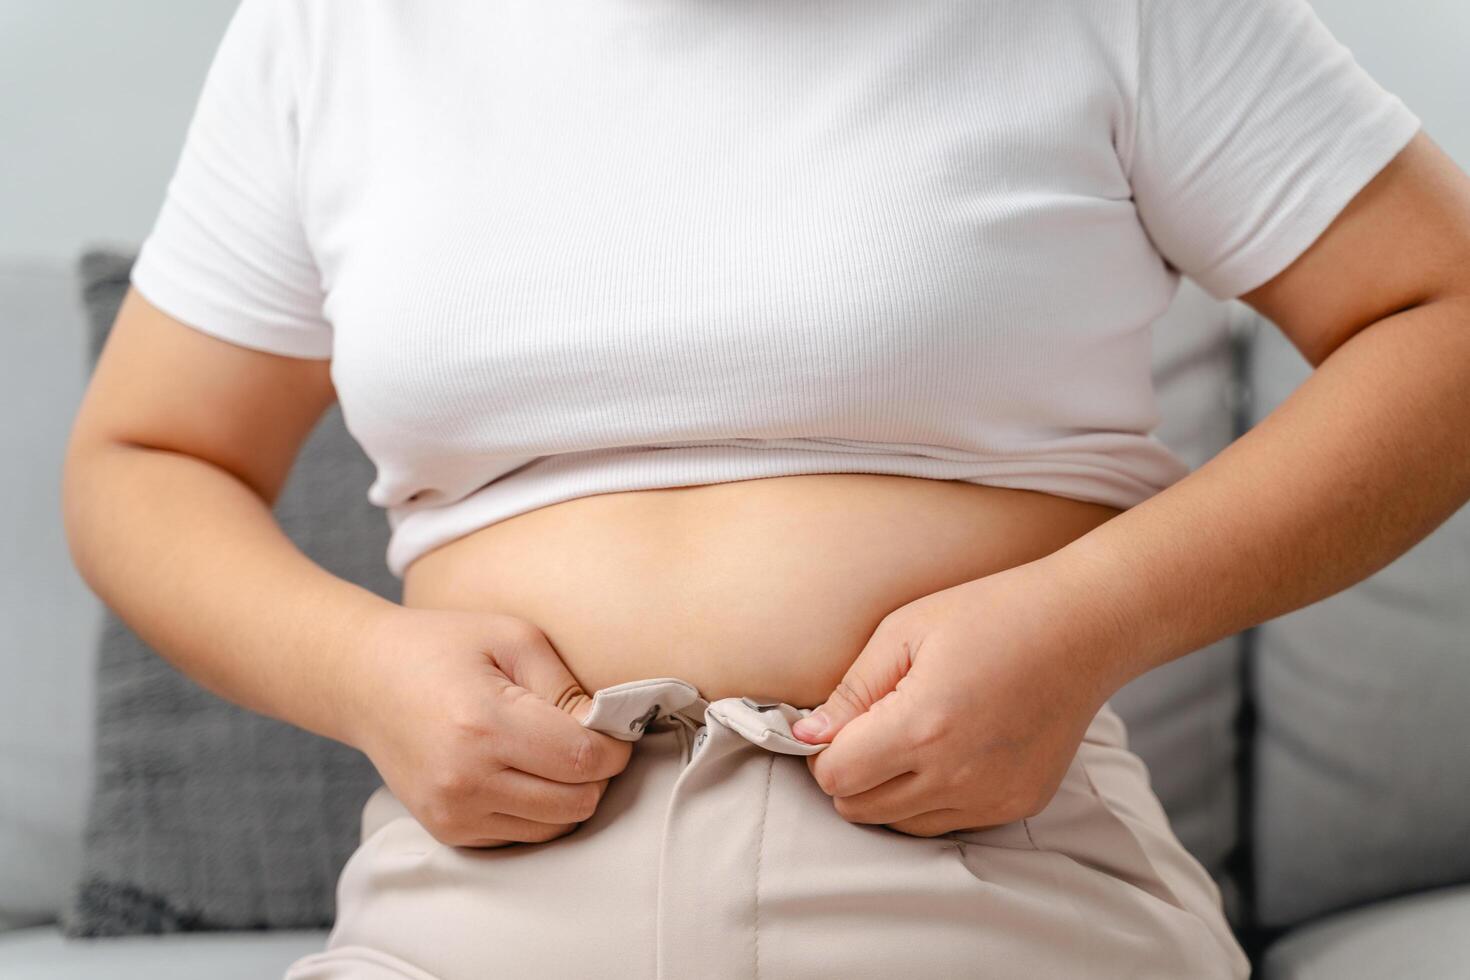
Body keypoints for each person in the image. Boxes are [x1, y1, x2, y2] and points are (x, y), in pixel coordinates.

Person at [61, 0, 1470, 977]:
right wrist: (360, 671)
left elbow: (1441, 316)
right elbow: (148, 457)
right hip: (473, 910)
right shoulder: (336, 31)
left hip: (985, 891)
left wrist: (1084, 620)